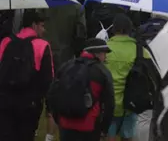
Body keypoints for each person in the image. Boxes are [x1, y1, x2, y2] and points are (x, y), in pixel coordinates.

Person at [0, 10, 53, 141]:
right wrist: (49, 107)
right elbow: (48, 80)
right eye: (42, 25)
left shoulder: (6, 41)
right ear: (34, 25)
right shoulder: (42, 45)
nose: (44, 30)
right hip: (30, 103)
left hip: (4, 100)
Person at [54, 38, 115, 141]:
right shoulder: (102, 71)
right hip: (89, 127)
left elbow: (52, 95)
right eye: (105, 54)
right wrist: (104, 129)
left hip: (65, 125)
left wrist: (58, 120)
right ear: (98, 53)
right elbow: (110, 104)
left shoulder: (66, 66)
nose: (105, 57)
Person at [105, 15, 150, 141]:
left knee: (109, 135)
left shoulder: (104, 49)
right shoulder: (140, 51)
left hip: (108, 103)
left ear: (113, 29)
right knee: (128, 136)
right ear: (130, 30)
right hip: (130, 104)